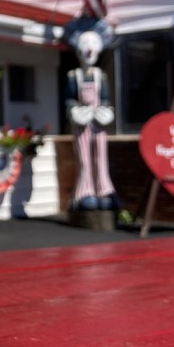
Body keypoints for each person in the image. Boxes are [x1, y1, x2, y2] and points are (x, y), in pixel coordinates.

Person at [65, 28, 117, 211]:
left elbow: (105, 98)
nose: (89, 51)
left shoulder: (100, 75)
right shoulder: (74, 76)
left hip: (98, 122)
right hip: (81, 122)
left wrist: (104, 110)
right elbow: (70, 99)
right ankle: (85, 192)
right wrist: (74, 111)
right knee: (84, 159)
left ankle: (104, 190)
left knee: (100, 157)